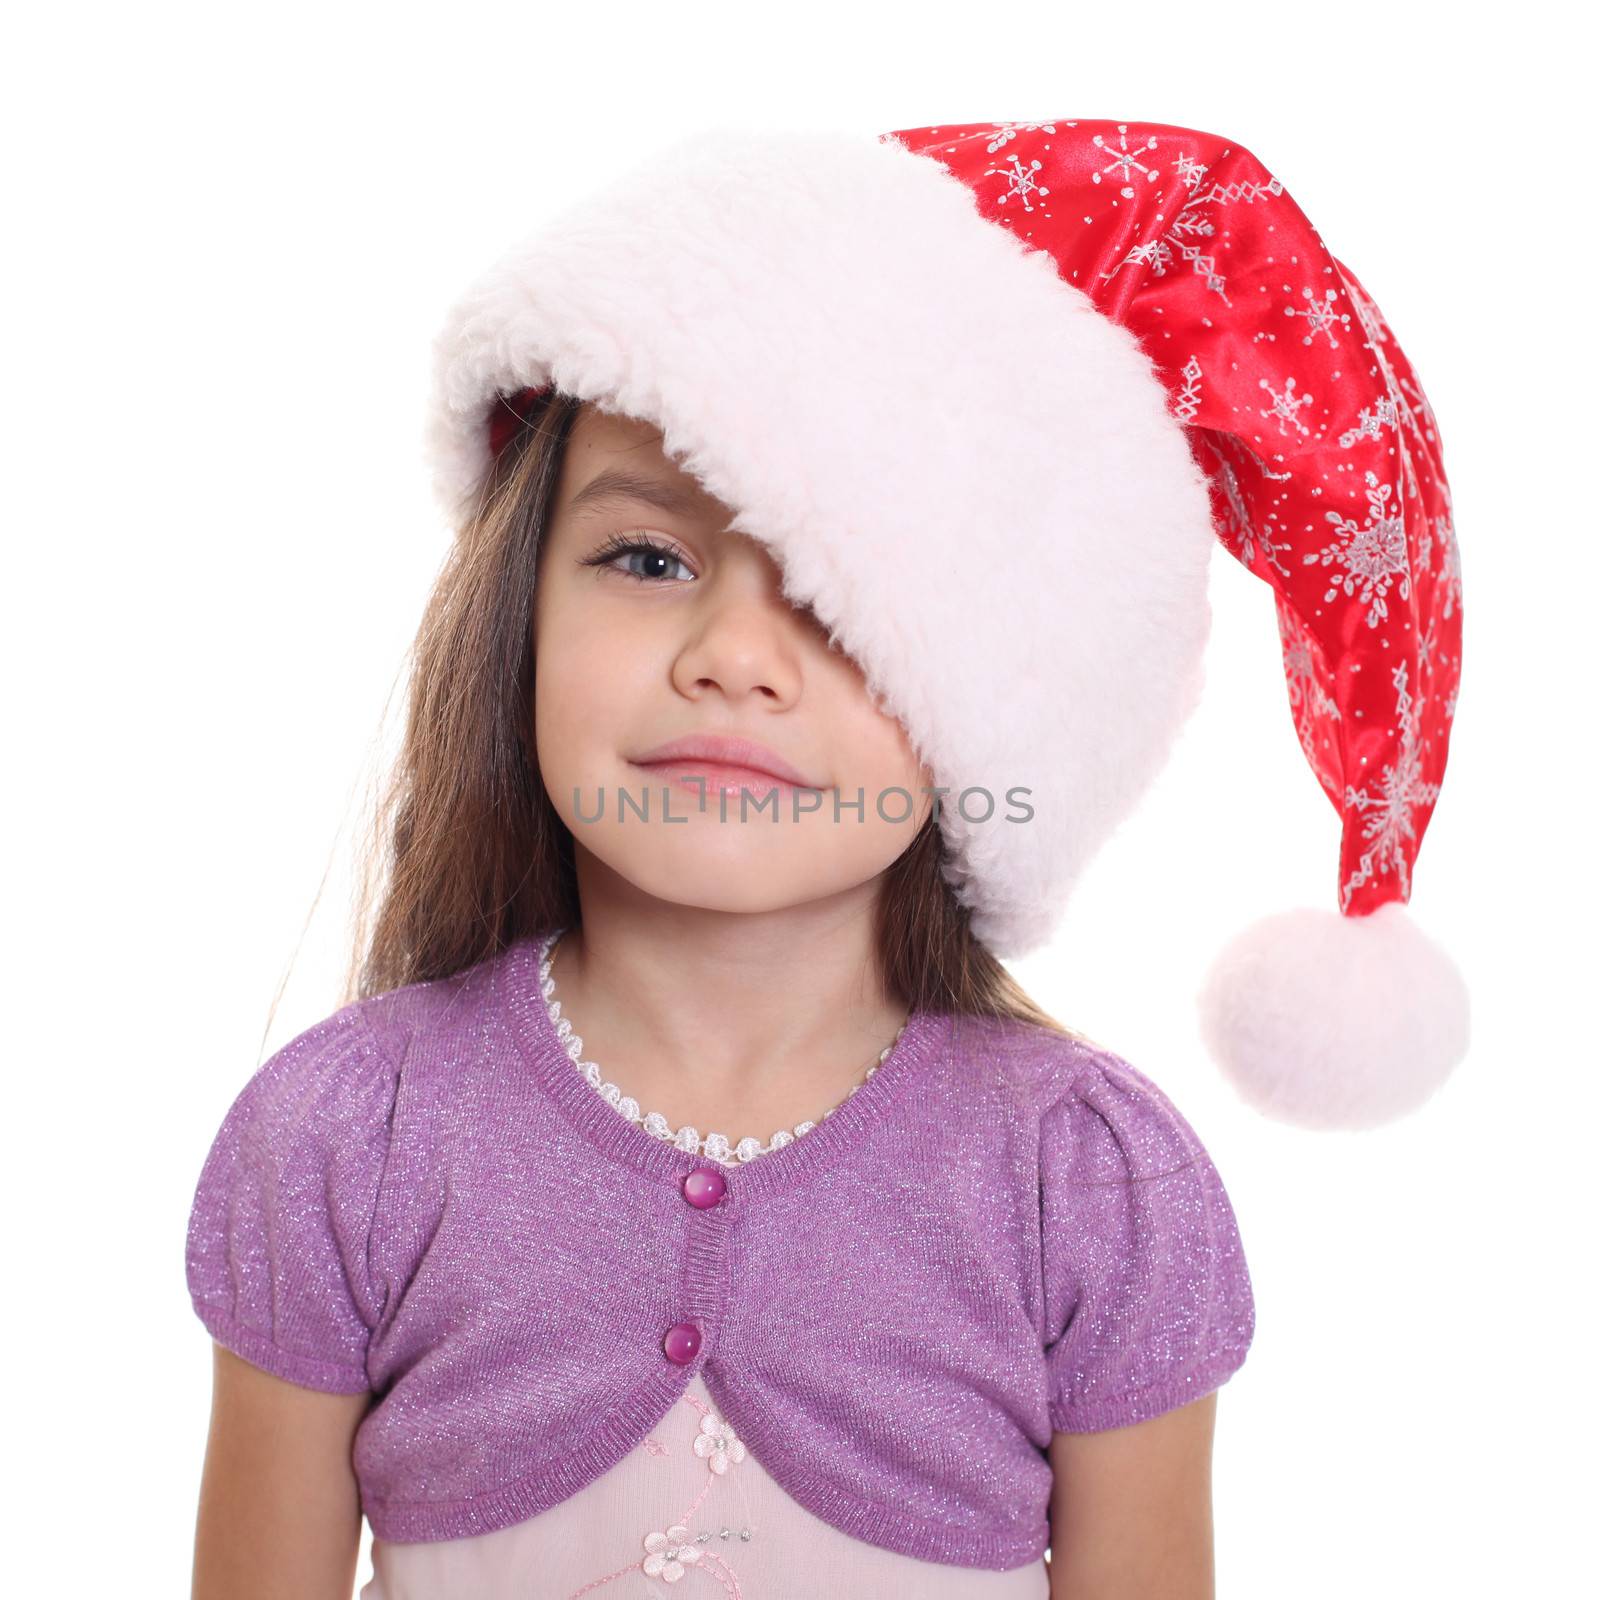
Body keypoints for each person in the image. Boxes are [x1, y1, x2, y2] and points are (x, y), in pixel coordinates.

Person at [186, 116, 1467, 1599]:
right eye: (647, 560)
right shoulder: (350, 1139)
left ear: (1006, 698)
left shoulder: (1087, 1186)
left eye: (843, 598)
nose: (735, 656)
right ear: (517, 607)